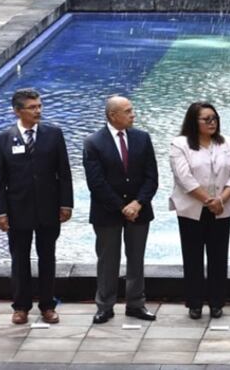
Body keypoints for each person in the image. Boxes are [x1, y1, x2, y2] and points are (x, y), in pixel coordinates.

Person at [0, 88, 73, 325]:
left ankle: (47, 305)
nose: (38, 111)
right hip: (18, 210)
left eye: (39, 106)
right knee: (20, 259)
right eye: (32, 107)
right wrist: (0, 212)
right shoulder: (2, 139)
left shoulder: (54, 134)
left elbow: (64, 173)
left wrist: (66, 204)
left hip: (49, 209)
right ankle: (21, 307)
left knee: (48, 257)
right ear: (17, 111)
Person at [83, 95, 159, 324]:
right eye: (127, 111)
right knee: (108, 260)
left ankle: (136, 303)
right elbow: (96, 183)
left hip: (139, 210)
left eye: (132, 110)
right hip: (107, 213)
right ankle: (105, 306)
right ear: (112, 115)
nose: (133, 114)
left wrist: (138, 203)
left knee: (136, 258)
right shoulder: (93, 142)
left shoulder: (142, 138)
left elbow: (151, 177)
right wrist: (121, 207)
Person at [169, 102, 230, 320]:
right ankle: (194, 303)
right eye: (206, 119)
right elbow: (184, 178)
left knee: (219, 256)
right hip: (192, 208)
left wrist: (221, 199)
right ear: (194, 121)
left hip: (221, 207)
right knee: (192, 256)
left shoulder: (227, 142)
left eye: (215, 118)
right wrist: (209, 200)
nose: (212, 123)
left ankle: (217, 302)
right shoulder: (180, 144)